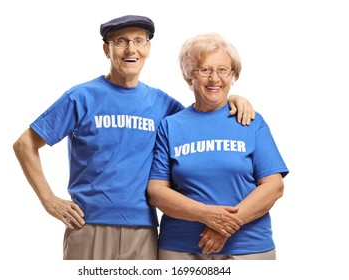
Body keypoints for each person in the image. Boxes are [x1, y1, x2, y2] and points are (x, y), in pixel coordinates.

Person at [13, 15, 255, 260]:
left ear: (148, 48)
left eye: (139, 41)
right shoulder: (82, 97)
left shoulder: (163, 104)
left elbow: (202, 116)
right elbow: (25, 144)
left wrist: (233, 99)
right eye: (121, 41)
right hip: (88, 225)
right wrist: (48, 200)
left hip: (144, 229)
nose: (131, 49)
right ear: (107, 49)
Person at [147, 32, 289, 260]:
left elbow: (274, 186)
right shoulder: (171, 126)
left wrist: (226, 225)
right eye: (204, 70)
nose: (215, 78)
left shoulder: (250, 121)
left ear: (233, 75)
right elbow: (156, 192)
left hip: (248, 248)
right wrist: (207, 216)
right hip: (180, 249)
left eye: (223, 70)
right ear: (188, 77)